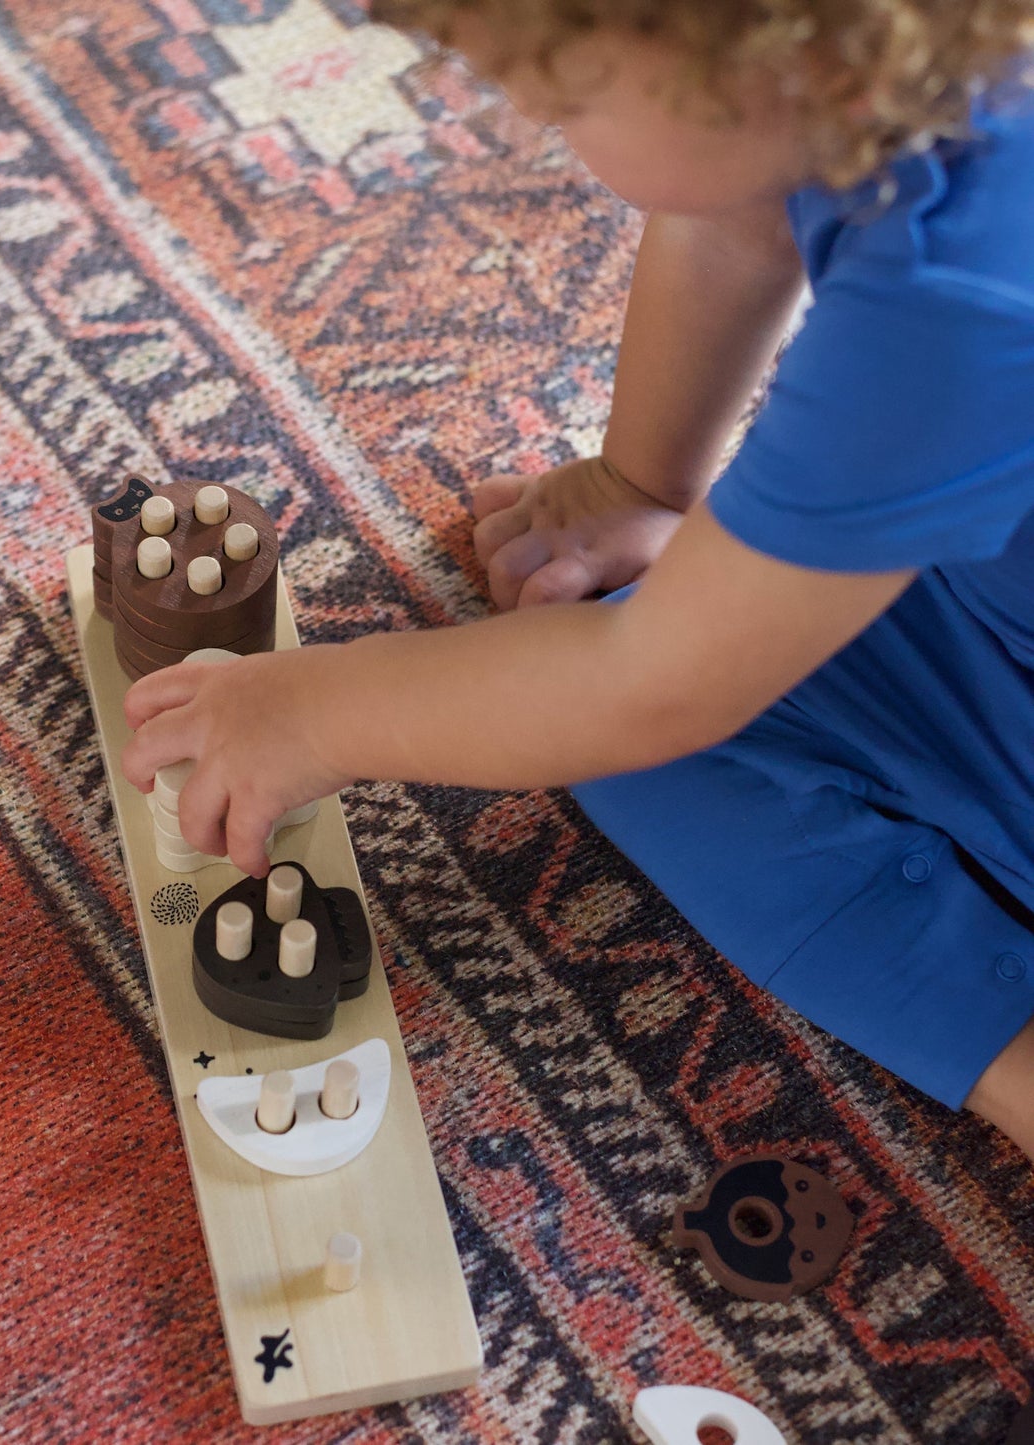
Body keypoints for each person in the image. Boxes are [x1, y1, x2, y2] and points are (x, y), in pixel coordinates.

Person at [120, 1, 1034, 1164]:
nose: (529, 122)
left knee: (617, 711)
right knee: (575, 693)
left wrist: (313, 709)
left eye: (556, 97)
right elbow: (733, 219)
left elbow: (653, 690)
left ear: (797, 63)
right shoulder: (859, 97)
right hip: (989, 609)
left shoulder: (963, 290)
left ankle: (1008, 1057)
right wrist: (638, 480)